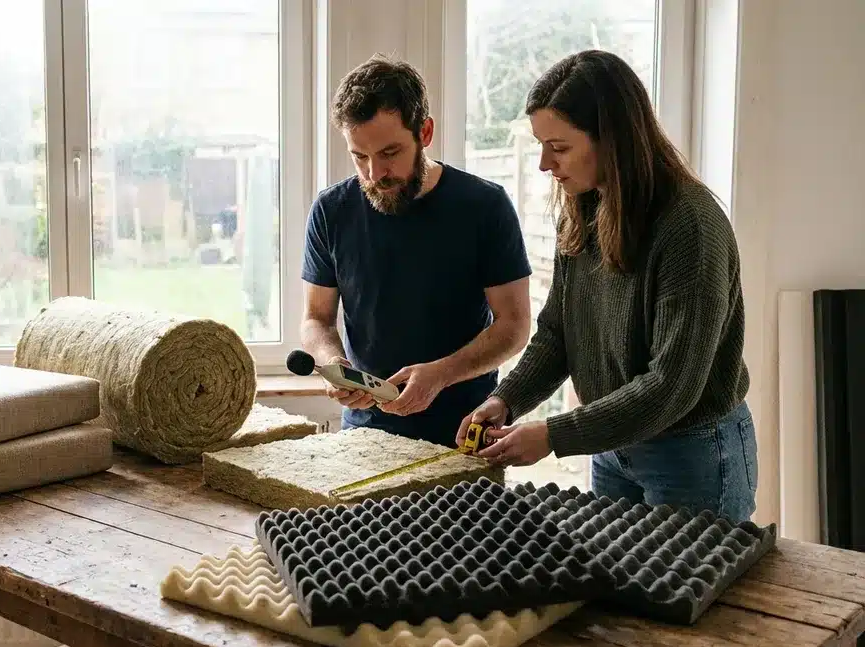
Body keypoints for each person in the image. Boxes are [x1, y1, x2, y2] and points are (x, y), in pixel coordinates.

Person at [462, 49, 758, 523]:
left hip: (693, 454)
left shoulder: (691, 227)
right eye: (540, 146)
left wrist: (554, 436)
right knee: (615, 591)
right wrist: (507, 398)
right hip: (612, 447)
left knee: (687, 596)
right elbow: (559, 333)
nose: (544, 164)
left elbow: (671, 387)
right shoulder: (579, 209)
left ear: (613, 140)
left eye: (558, 148)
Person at [300, 54, 533, 449]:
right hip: (363, 433)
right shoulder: (330, 211)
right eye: (360, 156)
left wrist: (440, 374)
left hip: (465, 434)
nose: (374, 173)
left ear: (424, 133)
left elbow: (514, 327)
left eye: (390, 153)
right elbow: (315, 319)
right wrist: (333, 363)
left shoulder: (485, 206)